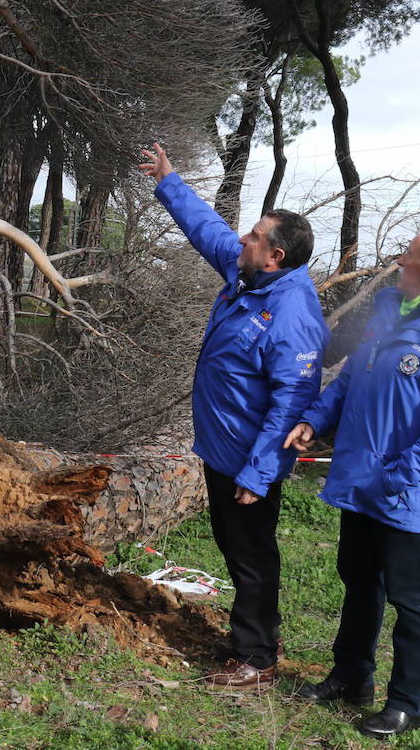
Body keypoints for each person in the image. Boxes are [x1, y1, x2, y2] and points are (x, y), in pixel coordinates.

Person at [284, 225, 420, 739]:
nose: (398, 261)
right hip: (360, 483)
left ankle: (406, 702)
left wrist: (394, 479)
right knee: (359, 583)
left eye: (408, 256)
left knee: (411, 600)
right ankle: (351, 677)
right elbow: (353, 377)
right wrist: (317, 419)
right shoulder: (388, 313)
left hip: (402, 495)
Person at [139, 142, 329, 689]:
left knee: (251, 555)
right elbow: (207, 230)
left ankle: (257, 660)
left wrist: (257, 472)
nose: (242, 238)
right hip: (221, 449)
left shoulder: (291, 312)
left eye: (254, 235)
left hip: (250, 458)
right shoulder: (248, 274)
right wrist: (170, 180)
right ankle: (258, 635)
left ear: (276, 256)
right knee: (234, 545)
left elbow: (291, 403)